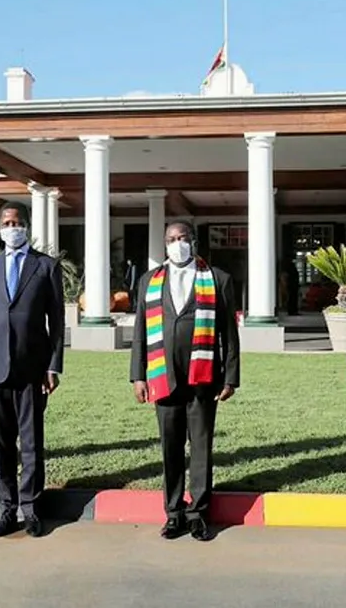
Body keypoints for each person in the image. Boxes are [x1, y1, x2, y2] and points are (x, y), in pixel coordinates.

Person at [130, 221, 240, 542]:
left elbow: (229, 336)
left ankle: (199, 513)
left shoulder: (218, 280)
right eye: (171, 239)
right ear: (164, 245)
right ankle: (174, 512)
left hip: (203, 377)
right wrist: (138, 375)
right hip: (163, 377)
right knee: (171, 447)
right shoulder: (149, 281)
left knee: (201, 446)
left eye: (183, 238)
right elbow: (139, 333)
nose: (177, 243)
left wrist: (231, 377)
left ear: (194, 241)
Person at [0, 201, 64, 538]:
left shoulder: (46, 266)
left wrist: (53, 367)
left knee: (32, 441)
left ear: (27, 225)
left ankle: (32, 507)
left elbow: (57, 322)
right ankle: (7, 508)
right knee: (2, 442)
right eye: (7, 222)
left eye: (17, 222)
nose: (12, 227)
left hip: (33, 367)